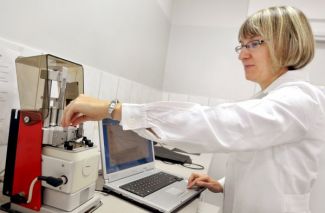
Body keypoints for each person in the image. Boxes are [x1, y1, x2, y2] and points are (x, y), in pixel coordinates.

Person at [61, 6, 325, 213]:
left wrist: (112, 109)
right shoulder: (270, 98)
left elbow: (219, 124)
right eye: (241, 46)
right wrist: (222, 184)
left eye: (253, 43)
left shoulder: (299, 100)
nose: (241, 55)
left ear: (287, 42)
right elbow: (269, 168)